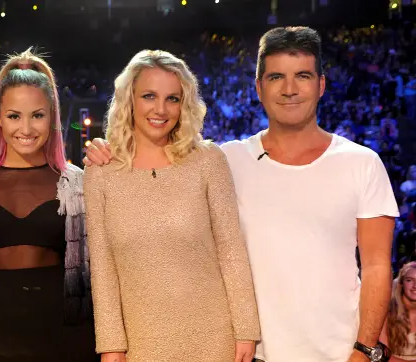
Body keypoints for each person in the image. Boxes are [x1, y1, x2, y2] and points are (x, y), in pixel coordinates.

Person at [85, 27, 398, 362]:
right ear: (259, 87)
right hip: (253, 353)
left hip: (336, 352)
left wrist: (365, 350)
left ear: (321, 84)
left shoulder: (361, 163)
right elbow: (159, 177)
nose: (290, 89)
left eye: (303, 76)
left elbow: (378, 266)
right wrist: (104, 149)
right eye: (277, 76)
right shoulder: (229, 158)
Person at [83, 49, 259, 362]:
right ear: (130, 100)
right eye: (149, 96)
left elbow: (231, 252)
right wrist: (111, 346)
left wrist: (246, 331)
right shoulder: (101, 173)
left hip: (215, 340)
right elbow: (103, 270)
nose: (160, 109)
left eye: (173, 99)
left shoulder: (208, 162)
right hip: (140, 344)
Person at [0, 48, 96, 362]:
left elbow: (94, 273)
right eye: (15, 116)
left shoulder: (78, 183)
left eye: (37, 115)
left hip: (68, 338)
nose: (26, 129)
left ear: (52, 117)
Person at [381, 262, 416, 361]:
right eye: (409, 280)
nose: (415, 286)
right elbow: (383, 354)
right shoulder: (387, 311)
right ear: (401, 284)